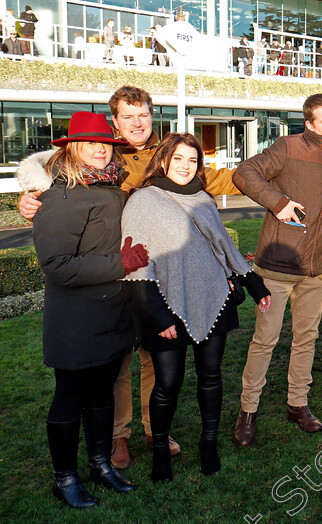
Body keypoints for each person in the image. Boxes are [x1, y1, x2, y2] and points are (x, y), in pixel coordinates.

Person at [17, 85, 241, 469]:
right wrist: (29, 197)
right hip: (111, 273)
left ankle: (156, 429)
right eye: (128, 116)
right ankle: (119, 437)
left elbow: (215, 178)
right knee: (117, 364)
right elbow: (51, 182)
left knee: (155, 360)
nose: (137, 123)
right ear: (116, 121)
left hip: (155, 273)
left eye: (143, 115)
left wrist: (274, 182)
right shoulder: (103, 154)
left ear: (152, 116)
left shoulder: (168, 154)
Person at [122, 133, 269, 481]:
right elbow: (136, 263)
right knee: (168, 383)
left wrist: (254, 283)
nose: (186, 167)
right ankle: (160, 451)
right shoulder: (142, 201)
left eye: (192, 161)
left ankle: (209, 444)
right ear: (163, 161)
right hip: (164, 305)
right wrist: (156, 314)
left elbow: (224, 248)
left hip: (213, 297)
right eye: (178, 160)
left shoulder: (203, 198)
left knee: (211, 377)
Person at [231, 94, 322, 443]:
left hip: (318, 266)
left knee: (307, 338)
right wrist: (279, 202)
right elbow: (243, 173)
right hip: (277, 265)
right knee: (265, 340)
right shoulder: (287, 147)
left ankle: (297, 404)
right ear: (309, 124)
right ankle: (248, 410)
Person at [30, 112, 141, 508]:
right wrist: (121, 263)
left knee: (102, 396)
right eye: (91, 142)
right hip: (76, 319)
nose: (100, 148)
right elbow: (56, 264)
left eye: (105, 142)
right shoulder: (62, 196)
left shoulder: (113, 187)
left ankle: (100, 465)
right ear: (73, 148)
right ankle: (64, 479)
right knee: (70, 398)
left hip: (113, 313)